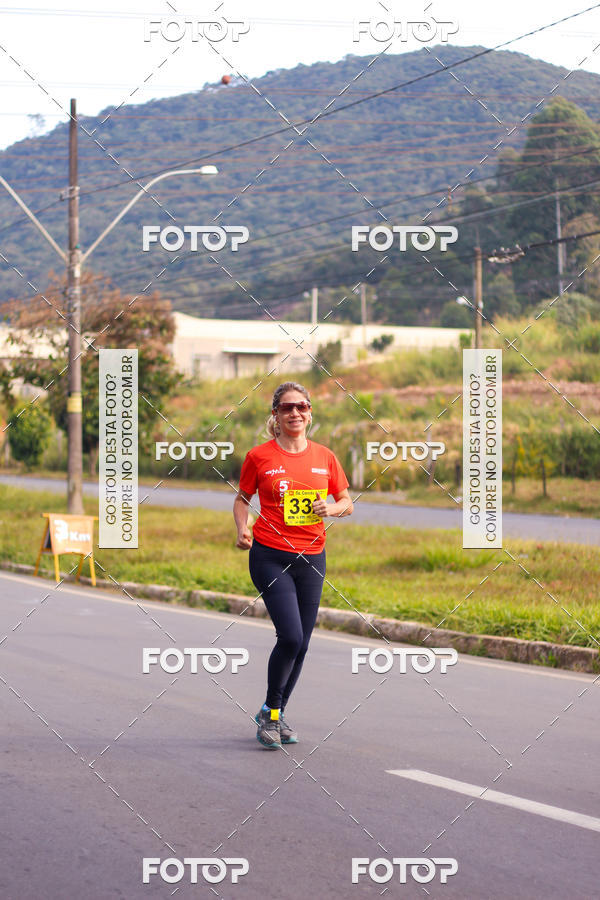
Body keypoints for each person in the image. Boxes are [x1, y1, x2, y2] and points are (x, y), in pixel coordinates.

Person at [233, 382, 353, 749]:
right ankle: (271, 716)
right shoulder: (259, 457)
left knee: (302, 645)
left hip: (312, 558)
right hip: (270, 555)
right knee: (291, 636)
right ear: (276, 415)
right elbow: (242, 499)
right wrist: (243, 527)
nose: (295, 413)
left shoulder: (325, 457)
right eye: (287, 408)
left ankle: (274, 711)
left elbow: (347, 501)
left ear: (310, 413)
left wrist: (331, 508)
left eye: (301, 407)